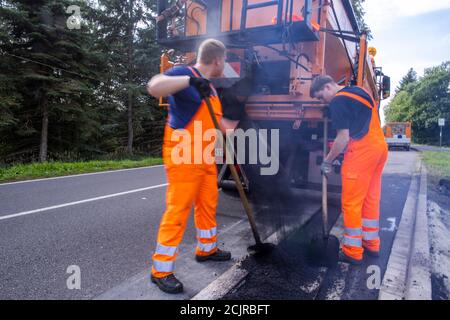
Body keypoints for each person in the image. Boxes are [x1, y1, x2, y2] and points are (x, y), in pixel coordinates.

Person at [147, 38, 239, 294]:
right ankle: (161, 270)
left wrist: (239, 117)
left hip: (205, 157)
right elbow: (155, 86)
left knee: (208, 204)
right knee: (178, 211)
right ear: (218, 60)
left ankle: (206, 248)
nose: (226, 65)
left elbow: (221, 127)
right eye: (226, 60)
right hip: (184, 154)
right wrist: (189, 81)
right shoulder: (186, 73)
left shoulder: (210, 88)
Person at [310, 75, 388, 265]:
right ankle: (371, 243)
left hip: (361, 152)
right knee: (370, 199)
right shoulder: (360, 91)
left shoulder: (338, 101)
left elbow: (343, 138)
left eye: (321, 97)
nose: (322, 102)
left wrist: (327, 161)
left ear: (328, 86)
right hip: (379, 148)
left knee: (351, 202)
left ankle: (353, 251)